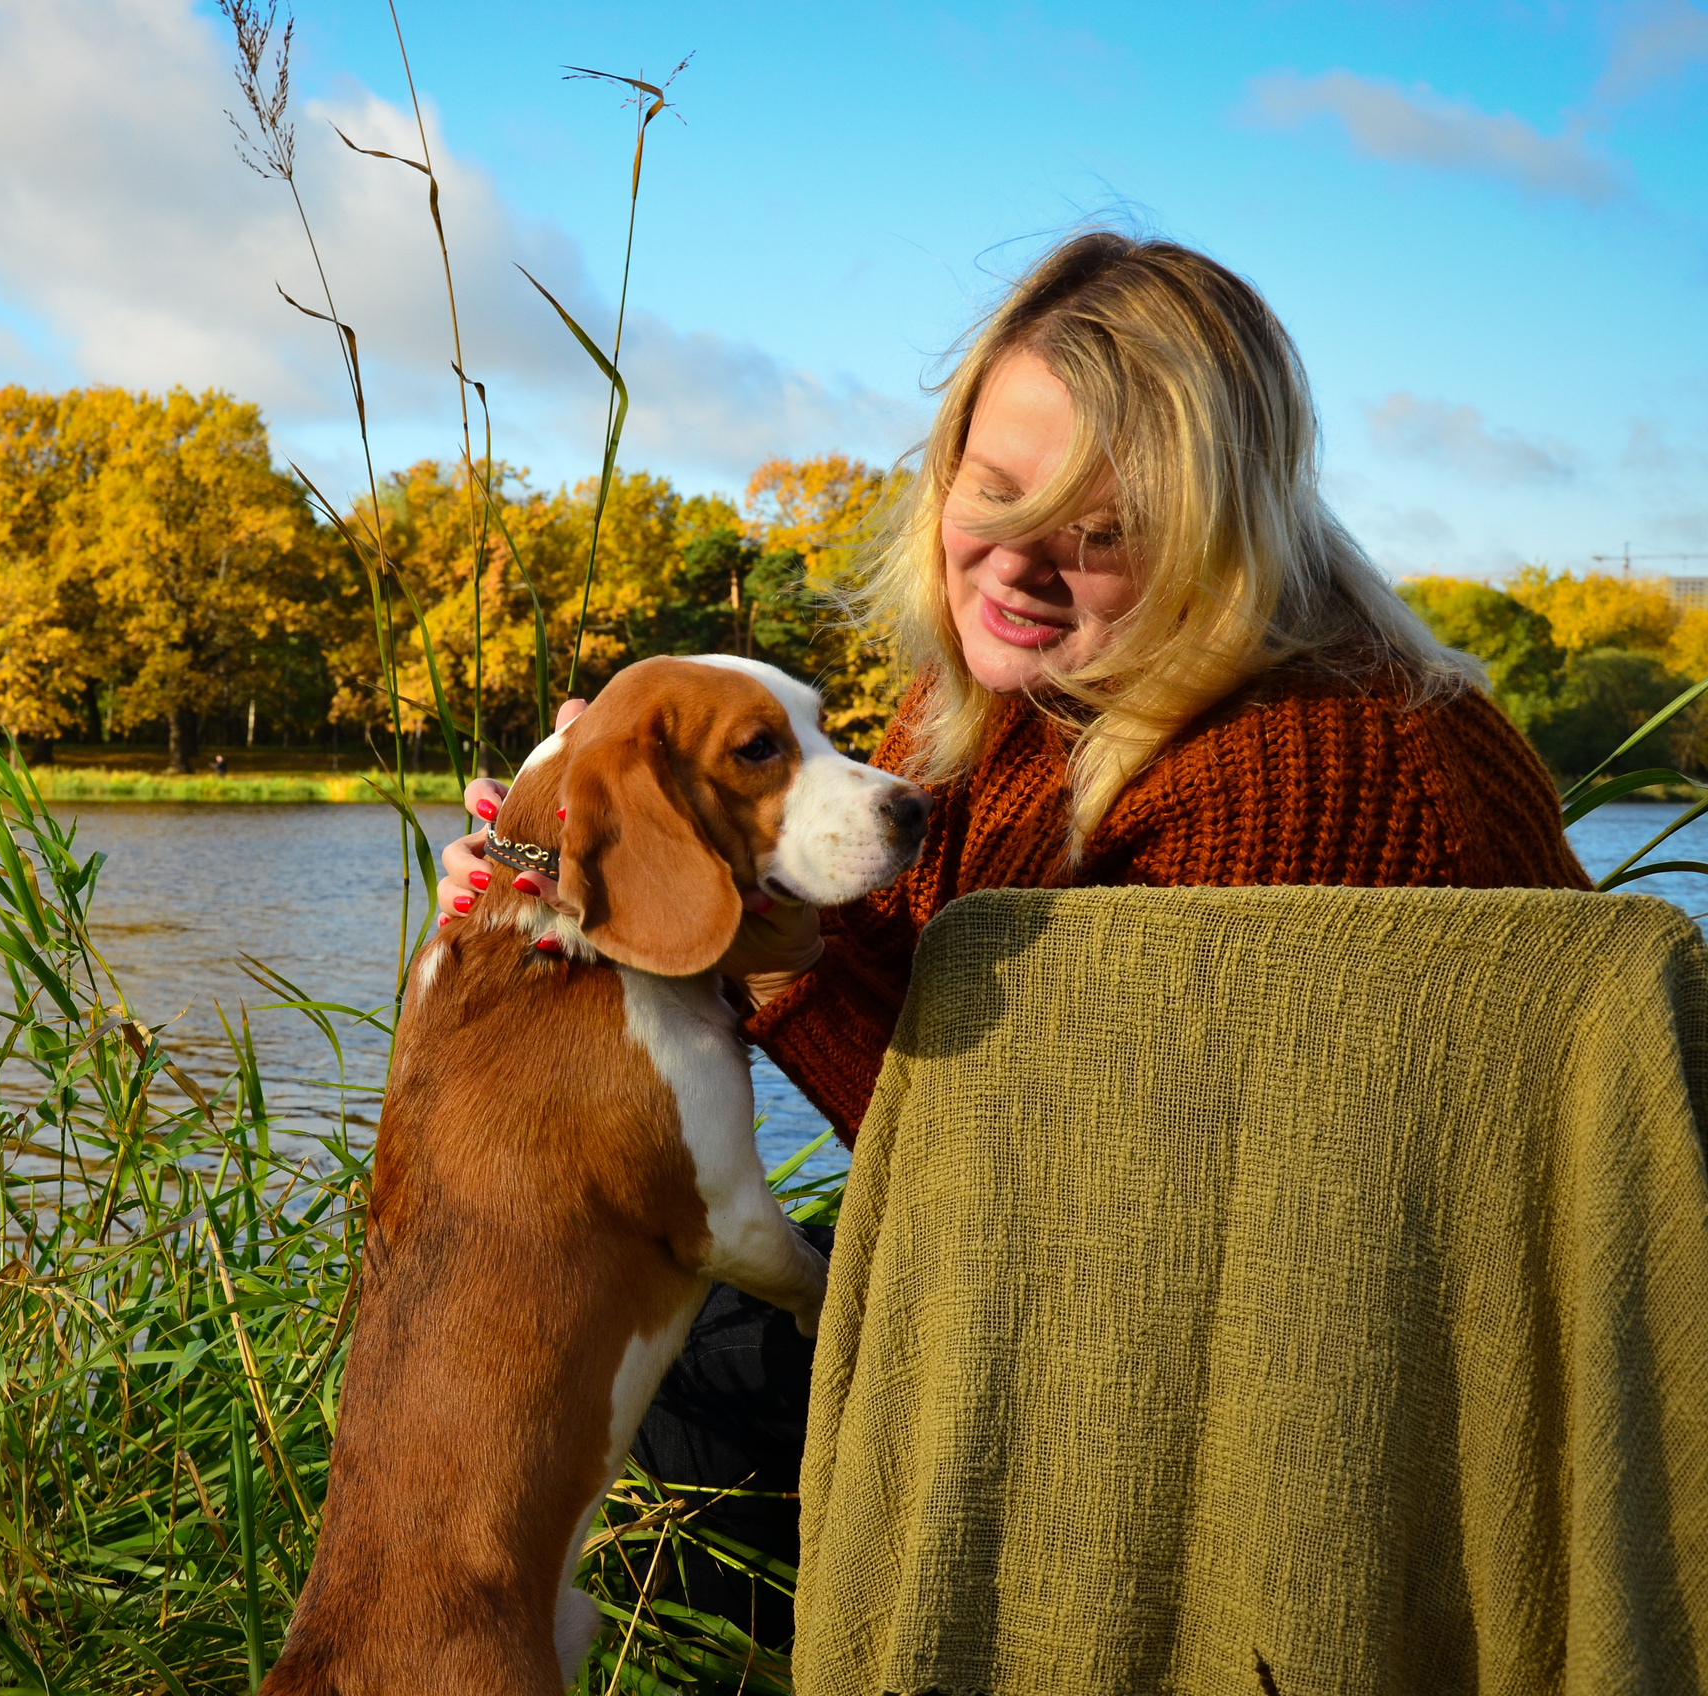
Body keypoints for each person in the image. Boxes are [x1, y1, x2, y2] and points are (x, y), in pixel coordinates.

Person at [433, 230, 1592, 1645]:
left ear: (1228, 537)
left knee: (691, 1417)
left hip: (1319, 1395)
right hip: (1096, 1277)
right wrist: (620, 876)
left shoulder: (1312, 772)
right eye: (992, 493)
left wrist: (764, 940)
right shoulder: (1005, 696)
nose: (1018, 567)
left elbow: (1098, 1233)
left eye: (1099, 537)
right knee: (660, 1347)